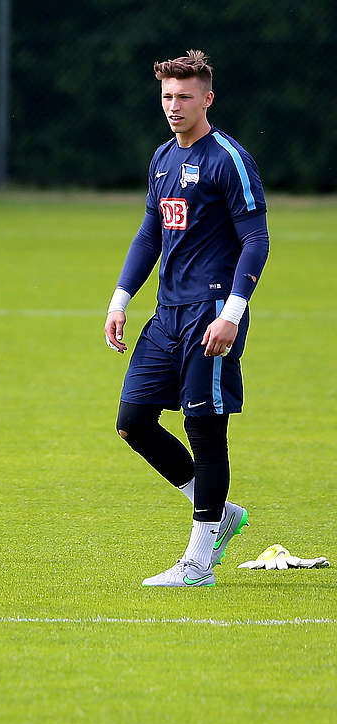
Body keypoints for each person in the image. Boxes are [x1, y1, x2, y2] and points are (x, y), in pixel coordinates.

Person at [104, 50, 269, 588]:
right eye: (167, 97)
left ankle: (197, 564)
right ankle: (220, 513)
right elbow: (150, 233)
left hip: (212, 313)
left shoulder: (229, 159)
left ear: (207, 98)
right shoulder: (161, 159)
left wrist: (232, 314)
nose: (174, 106)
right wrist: (120, 299)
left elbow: (256, 239)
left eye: (184, 96)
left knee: (203, 427)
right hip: (167, 313)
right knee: (133, 421)